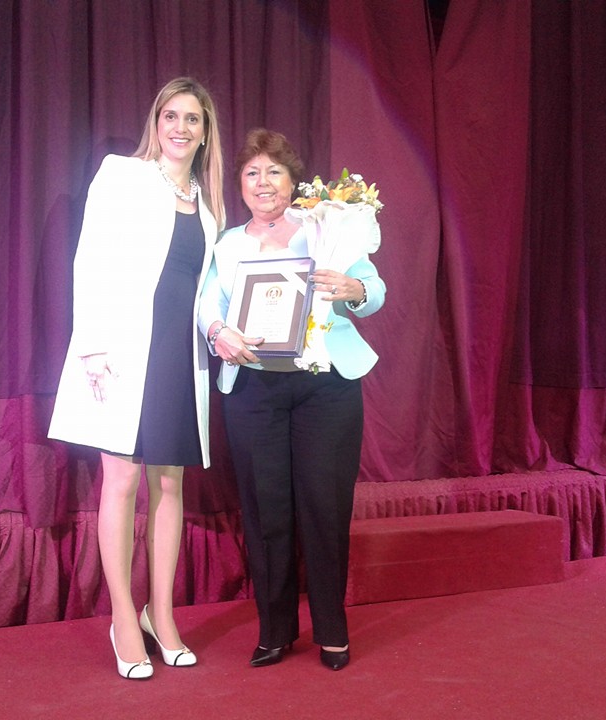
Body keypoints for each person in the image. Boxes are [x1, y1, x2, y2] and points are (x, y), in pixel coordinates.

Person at [49, 77, 225, 680]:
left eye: (192, 119)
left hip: (178, 355)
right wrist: (92, 345)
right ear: (156, 122)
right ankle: (124, 616)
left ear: (205, 133)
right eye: (170, 116)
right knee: (121, 481)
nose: (180, 127)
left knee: (170, 484)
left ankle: (161, 614)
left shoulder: (209, 207)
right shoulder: (121, 176)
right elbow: (89, 259)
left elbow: (202, 291)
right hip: (122, 354)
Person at [198, 129, 385, 671]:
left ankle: (331, 630)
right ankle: (275, 631)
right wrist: (217, 332)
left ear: (293, 181)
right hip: (254, 390)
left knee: (325, 508)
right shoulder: (226, 244)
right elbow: (207, 304)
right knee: (266, 512)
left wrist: (355, 291)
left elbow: (374, 289)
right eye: (252, 173)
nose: (263, 182)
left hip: (325, 389)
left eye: (274, 172)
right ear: (240, 184)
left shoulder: (326, 231)